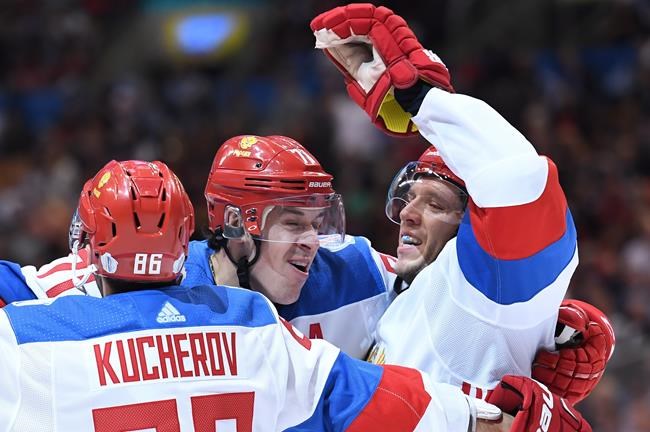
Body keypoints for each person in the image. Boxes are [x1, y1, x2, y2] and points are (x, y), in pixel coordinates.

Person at [0, 159, 522, 431]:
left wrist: (559, 323)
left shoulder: (28, 338)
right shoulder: (251, 326)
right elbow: (387, 402)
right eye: (291, 221)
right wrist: (506, 418)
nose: (312, 241)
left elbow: (422, 281)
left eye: (316, 221)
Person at [309, 1, 609, 424]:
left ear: (476, 227)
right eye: (409, 197)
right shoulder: (405, 294)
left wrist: (424, 101)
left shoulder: (485, 283)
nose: (410, 213)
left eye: (435, 204)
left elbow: (518, 179)